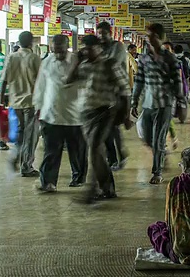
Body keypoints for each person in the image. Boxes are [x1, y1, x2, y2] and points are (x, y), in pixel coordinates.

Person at [70, 34, 130, 203]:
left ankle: (91, 190)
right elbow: (69, 79)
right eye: (85, 49)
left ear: (99, 48)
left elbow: (125, 90)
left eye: (90, 49)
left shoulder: (110, 64)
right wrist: (76, 60)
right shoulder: (84, 65)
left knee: (95, 149)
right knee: (97, 153)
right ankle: (108, 189)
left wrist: (125, 115)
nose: (87, 52)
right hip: (86, 114)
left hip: (105, 112)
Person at [34, 35, 87, 192]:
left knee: (77, 151)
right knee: (51, 151)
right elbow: (40, 86)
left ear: (67, 46)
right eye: (54, 49)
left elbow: (85, 84)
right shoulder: (46, 62)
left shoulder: (77, 61)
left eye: (61, 49)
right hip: (52, 114)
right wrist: (38, 107)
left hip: (75, 116)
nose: (57, 52)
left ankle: (78, 178)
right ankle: (48, 182)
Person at [132, 23, 183, 184]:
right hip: (147, 104)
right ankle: (162, 155)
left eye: (151, 35)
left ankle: (157, 172)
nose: (148, 38)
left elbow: (177, 82)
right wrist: (134, 101)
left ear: (160, 38)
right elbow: (139, 80)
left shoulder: (170, 58)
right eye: (147, 35)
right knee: (147, 137)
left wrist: (181, 102)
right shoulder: (144, 58)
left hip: (164, 103)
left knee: (159, 139)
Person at [0, 31, 42, 177]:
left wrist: (0, 102)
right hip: (31, 102)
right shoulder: (34, 58)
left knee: (20, 133)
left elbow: (3, 81)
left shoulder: (11, 57)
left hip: (15, 102)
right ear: (31, 43)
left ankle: (16, 155)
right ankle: (27, 166)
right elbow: (41, 82)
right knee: (31, 136)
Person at [98, 22, 129, 171]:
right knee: (108, 128)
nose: (101, 36)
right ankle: (115, 157)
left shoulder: (118, 47)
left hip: (118, 92)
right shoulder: (100, 48)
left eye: (104, 33)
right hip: (103, 93)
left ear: (110, 33)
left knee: (113, 127)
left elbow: (112, 63)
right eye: (99, 34)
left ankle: (118, 156)